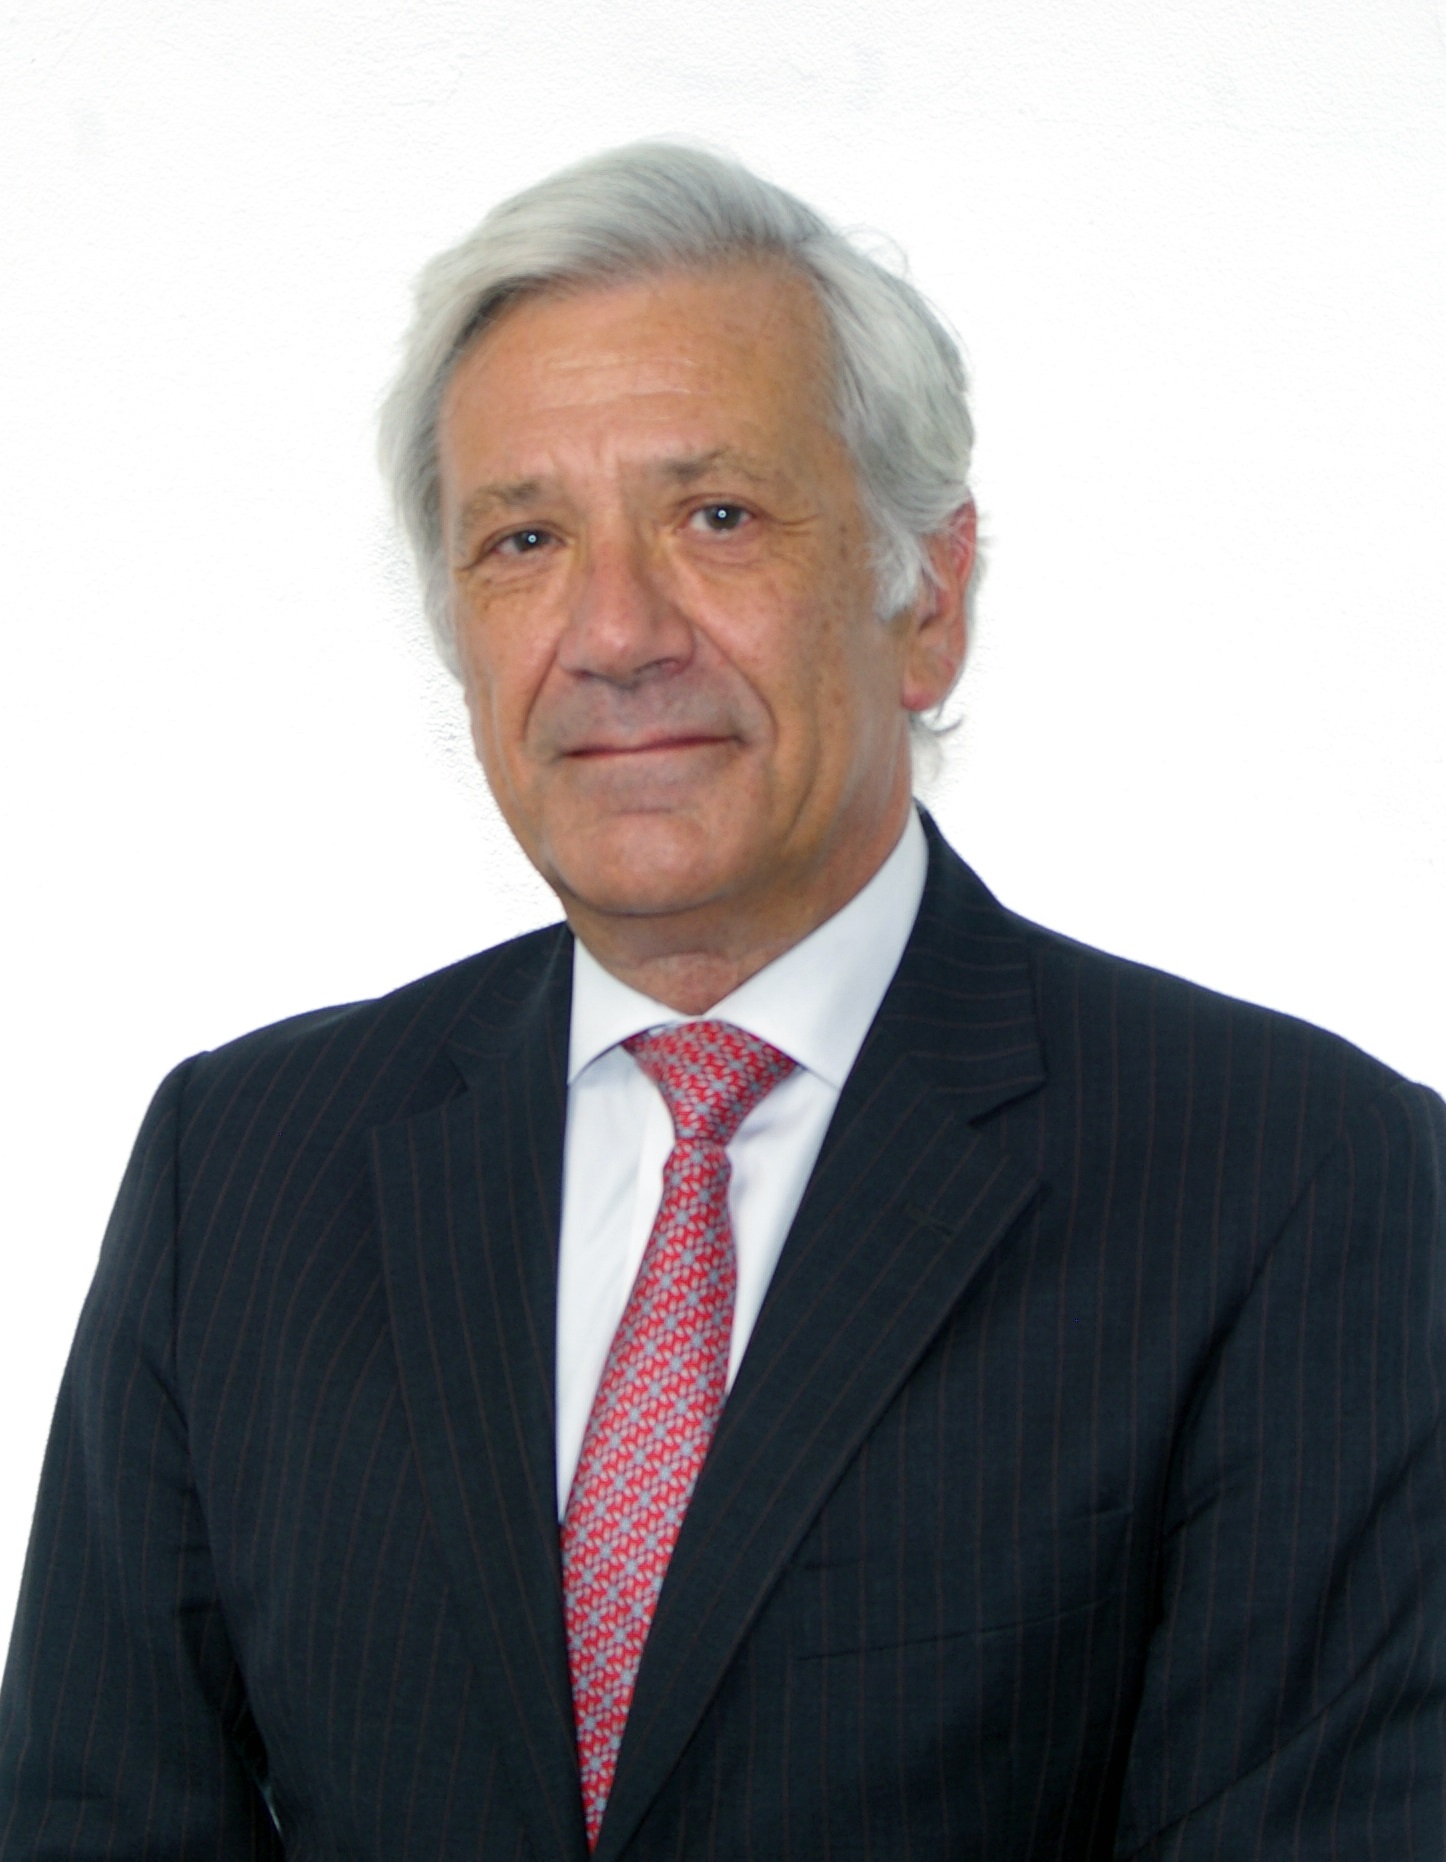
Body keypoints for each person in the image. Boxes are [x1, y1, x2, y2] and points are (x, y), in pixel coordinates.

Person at [1, 141, 1442, 1862]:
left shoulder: (1301, 1178)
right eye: (525, 538)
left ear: (927, 597)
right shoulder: (239, 1165)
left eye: (717, 518)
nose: (614, 632)